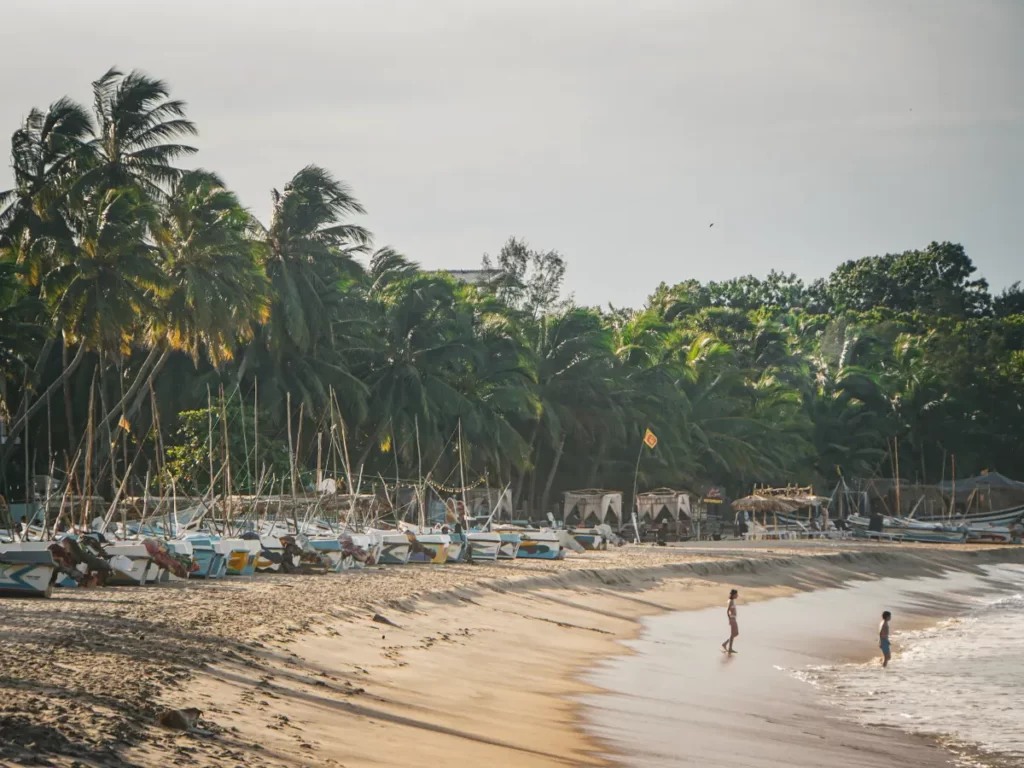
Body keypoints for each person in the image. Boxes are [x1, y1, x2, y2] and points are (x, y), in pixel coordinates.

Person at [722, 589, 739, 653]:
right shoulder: (731, 601)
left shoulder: (733, 601)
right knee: (733, 633)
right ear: (733, 595)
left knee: (736, 633)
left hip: (733, 618)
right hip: (732, 619)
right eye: (736, 594)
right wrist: (729, 619)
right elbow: (728, 610)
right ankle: (730, 648)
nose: (737, 595)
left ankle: (725, 644)